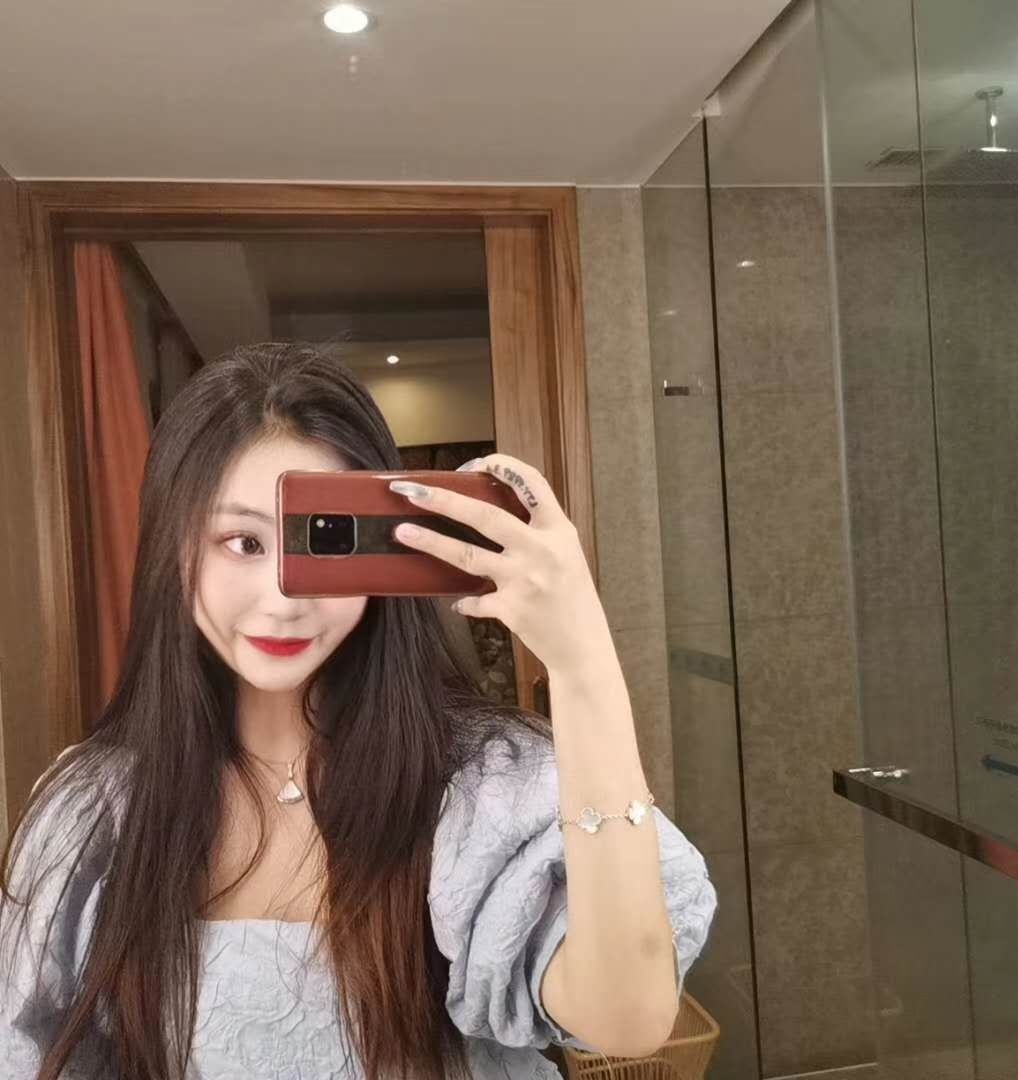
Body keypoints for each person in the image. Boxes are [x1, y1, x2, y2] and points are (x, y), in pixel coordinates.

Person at [0, 342, 717, 1079]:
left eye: (324, 544)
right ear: (171, 550)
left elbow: (627, 1019)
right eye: (241, 542)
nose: (284, 600)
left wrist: (583, 664)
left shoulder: (484, 785)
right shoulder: (95, 811)